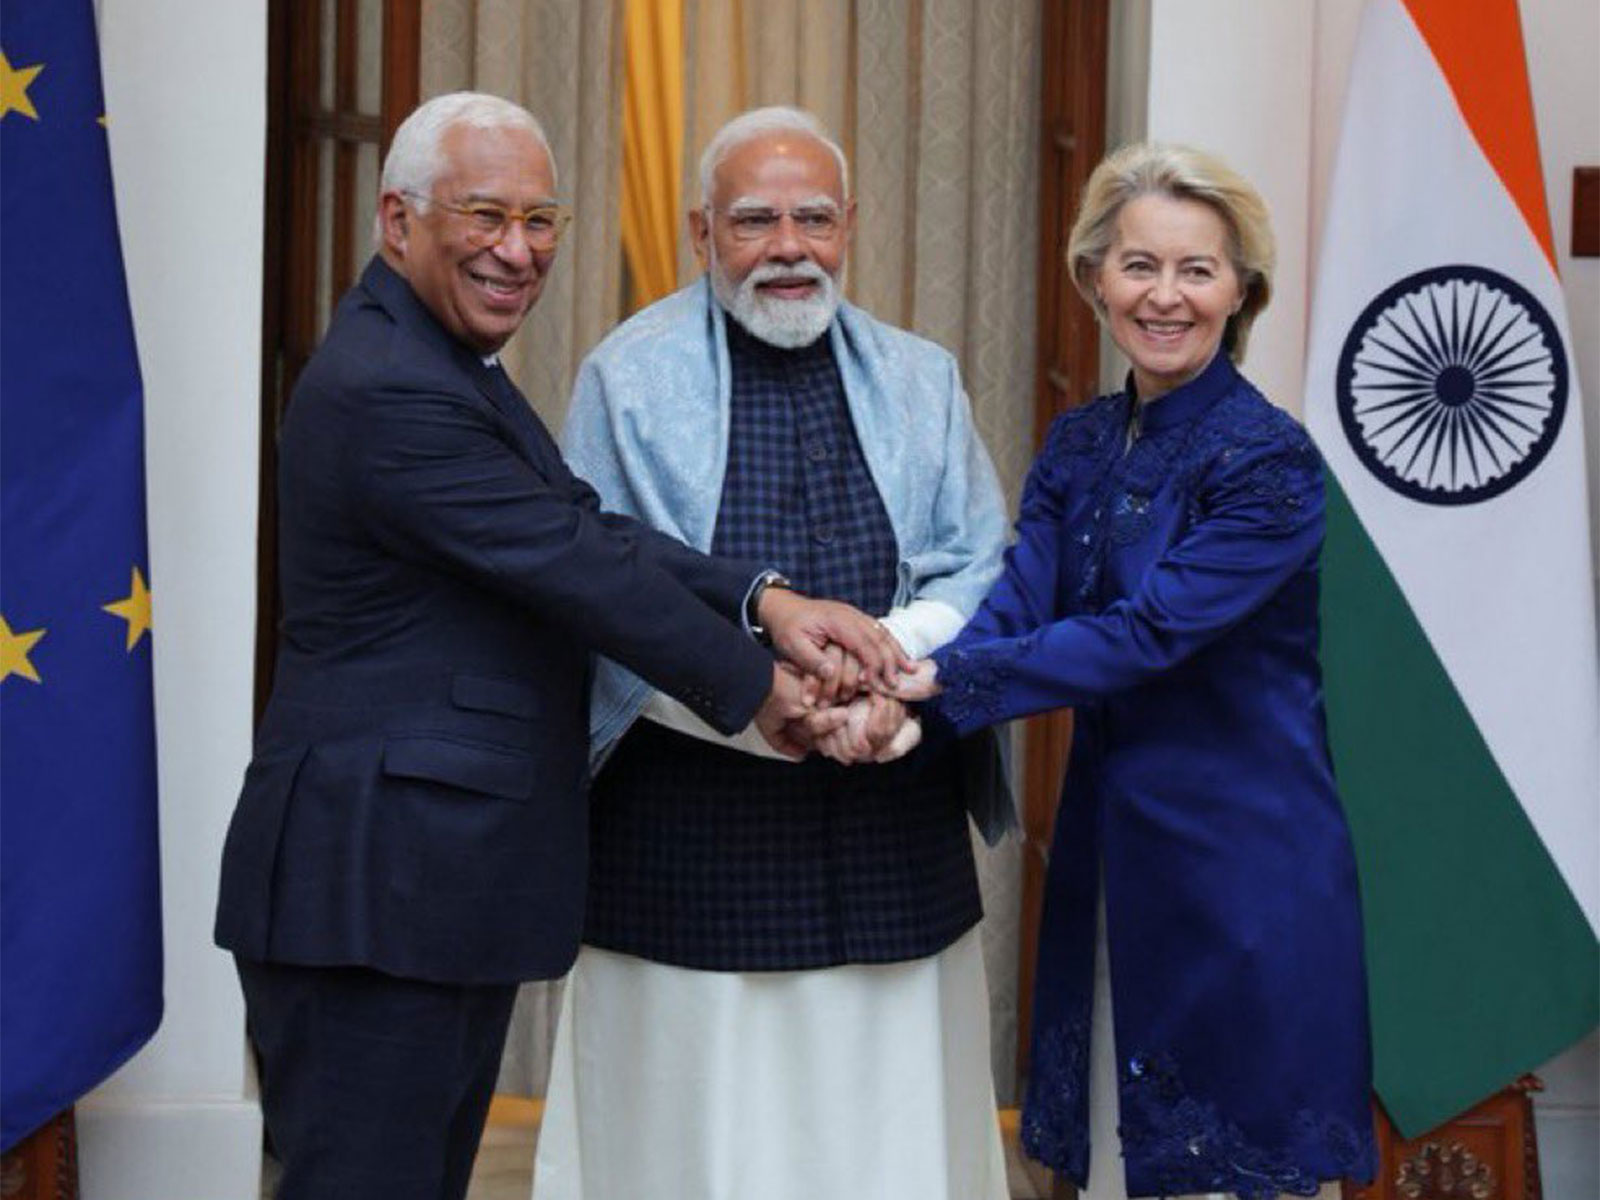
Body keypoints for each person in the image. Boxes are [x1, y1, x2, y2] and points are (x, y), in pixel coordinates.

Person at [212, 92, 900, 1200]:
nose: (516, 250)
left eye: (541, 221)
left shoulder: (438, 359)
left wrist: (765, 601)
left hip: (424, 890)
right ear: (398, 220)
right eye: (485, 214)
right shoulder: (391, 386)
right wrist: (760, 687)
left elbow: (582, 524)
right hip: (374, 889)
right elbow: (569, 564)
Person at [530, 107, 1012, 1200]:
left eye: (813, 218)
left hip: (891, 804)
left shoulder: (920, 376)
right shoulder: (626, 378)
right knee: (700, 1138)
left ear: (851, 226)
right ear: (701, 233)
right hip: (690, 827)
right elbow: (599, 586)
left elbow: (979, 561)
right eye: (754, 220)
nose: (787, 246)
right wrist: (760, 699)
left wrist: (895, 676)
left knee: (883, 1129)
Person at [896, 142, 1377, 1199]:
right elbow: (1020, 602)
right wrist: (896, 681)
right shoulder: (1078, 443)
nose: (1165, 296)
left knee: (1222, 1169)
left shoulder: (1269, 463)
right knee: (1116, 1157)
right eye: (1138, 266)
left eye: (1196, 270)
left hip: (1239, 872)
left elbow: (1142, 636)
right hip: (1112, 860)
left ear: (1240, 290)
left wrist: (931, 693)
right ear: (1093, 280)